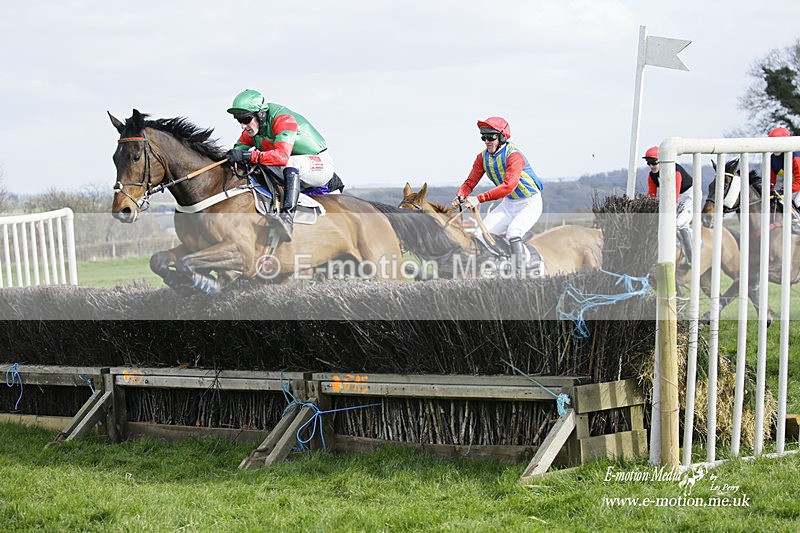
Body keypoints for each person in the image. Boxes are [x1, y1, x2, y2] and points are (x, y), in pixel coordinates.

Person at [225, 89, 336, 242]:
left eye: (246, 119)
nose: (243, 126)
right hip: (291, 167)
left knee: (288, 163)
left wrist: (249, 155)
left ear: (261, 114)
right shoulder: (254, 129)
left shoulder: (283, 120)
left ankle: (287, 218)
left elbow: (282, 157)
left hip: (318, 164)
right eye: (239, 120)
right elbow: (237, 151)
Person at [452, 116, 544, 275]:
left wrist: (478, 199)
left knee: (513, 232)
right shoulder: (482, 158)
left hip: (530, 203)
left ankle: (522, 275)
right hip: (509, 204)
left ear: (502, 137)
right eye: (483, 138)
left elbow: (508, 186)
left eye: (491, 137)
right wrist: (461, 194)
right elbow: (470, 182)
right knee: (481, 235)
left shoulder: (514, 155)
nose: (487, 141)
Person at [643, 146, 694, 267]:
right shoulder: (651, 176)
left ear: (661, 161)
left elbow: (674, 197)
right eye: (648, 163)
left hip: (688, 196)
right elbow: (651, 197)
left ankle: (691, 258)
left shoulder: (675, 172)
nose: (651, 166)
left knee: (678, 223)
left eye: (653, 162)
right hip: (671, 197)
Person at [767, 127, 800, 212]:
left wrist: (783, 190)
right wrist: (770, 191)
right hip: (795, 186)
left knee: (797, 201)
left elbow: (799, 181)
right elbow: (771, 181)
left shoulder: (795, 157)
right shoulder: (772, 159)